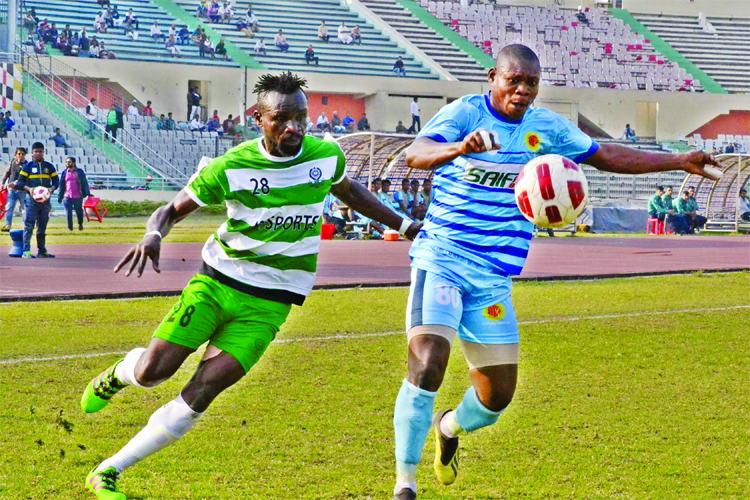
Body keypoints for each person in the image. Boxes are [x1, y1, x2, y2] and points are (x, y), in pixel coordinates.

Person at [390, 44, 720, 500]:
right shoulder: (463, 114)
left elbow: (605, 156)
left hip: (493, 279)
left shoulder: (545, 128)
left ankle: (448, 428)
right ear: (493, 77)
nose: (522, 90)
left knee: (495, 400)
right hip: (442, 259)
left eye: (531, 83)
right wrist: (457, 149)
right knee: (429, 362)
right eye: (514, 80)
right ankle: (403, 484)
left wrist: (678, 160)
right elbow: (416, 152)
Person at [79, 71, 419, 500]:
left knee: (201, 392)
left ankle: (108, 470)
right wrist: (153, 234)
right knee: (152, 373)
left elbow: (350, 192)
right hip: (217, 285)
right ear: (259, 118)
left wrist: (406, 225)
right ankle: (121, 372)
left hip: (270, 305)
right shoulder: (232, 165)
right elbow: (171, 209)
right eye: (283, 119)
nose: (294, 127)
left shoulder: (324, 156)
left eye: (301, 117)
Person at [13, 142, 58, 259]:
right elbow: (19, 182)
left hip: (45, 201)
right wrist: (30, 189)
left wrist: (51, 189)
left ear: (43, 152)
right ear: (32, 153)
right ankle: (26, 250)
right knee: (29, 225)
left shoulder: (49, 166)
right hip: (31, 200)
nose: (38, 153)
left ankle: (42, 251)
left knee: (42, 226)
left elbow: (56, 182)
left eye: (40, 151)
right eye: (36, 151)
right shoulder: (27, 167)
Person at [57, 157, 90, 232]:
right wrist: (60, 197)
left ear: (74, 163)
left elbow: (84, 182)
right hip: (67, 195)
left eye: (69, 162)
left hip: (77, 195)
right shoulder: (64, 172)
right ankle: (70, 228)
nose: (68, 163)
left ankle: (80, 223)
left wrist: (87, 193)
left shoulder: (79, 172)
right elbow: (61, 185)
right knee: (68, 212)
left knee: (79, 211)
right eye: (67, 162)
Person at [2, 148, 28, 231]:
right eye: (19, 154)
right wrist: (3, 183)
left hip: (22, 190)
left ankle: (25, 226)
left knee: (24, 210)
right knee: (9, 208)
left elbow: (22, 178)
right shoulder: (13, 162)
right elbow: (7, 173)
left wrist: (14, 183)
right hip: (12, 191)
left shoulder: (26, 165)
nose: (21, 155)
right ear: (15, 155)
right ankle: (8, 226)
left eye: (23, 154)